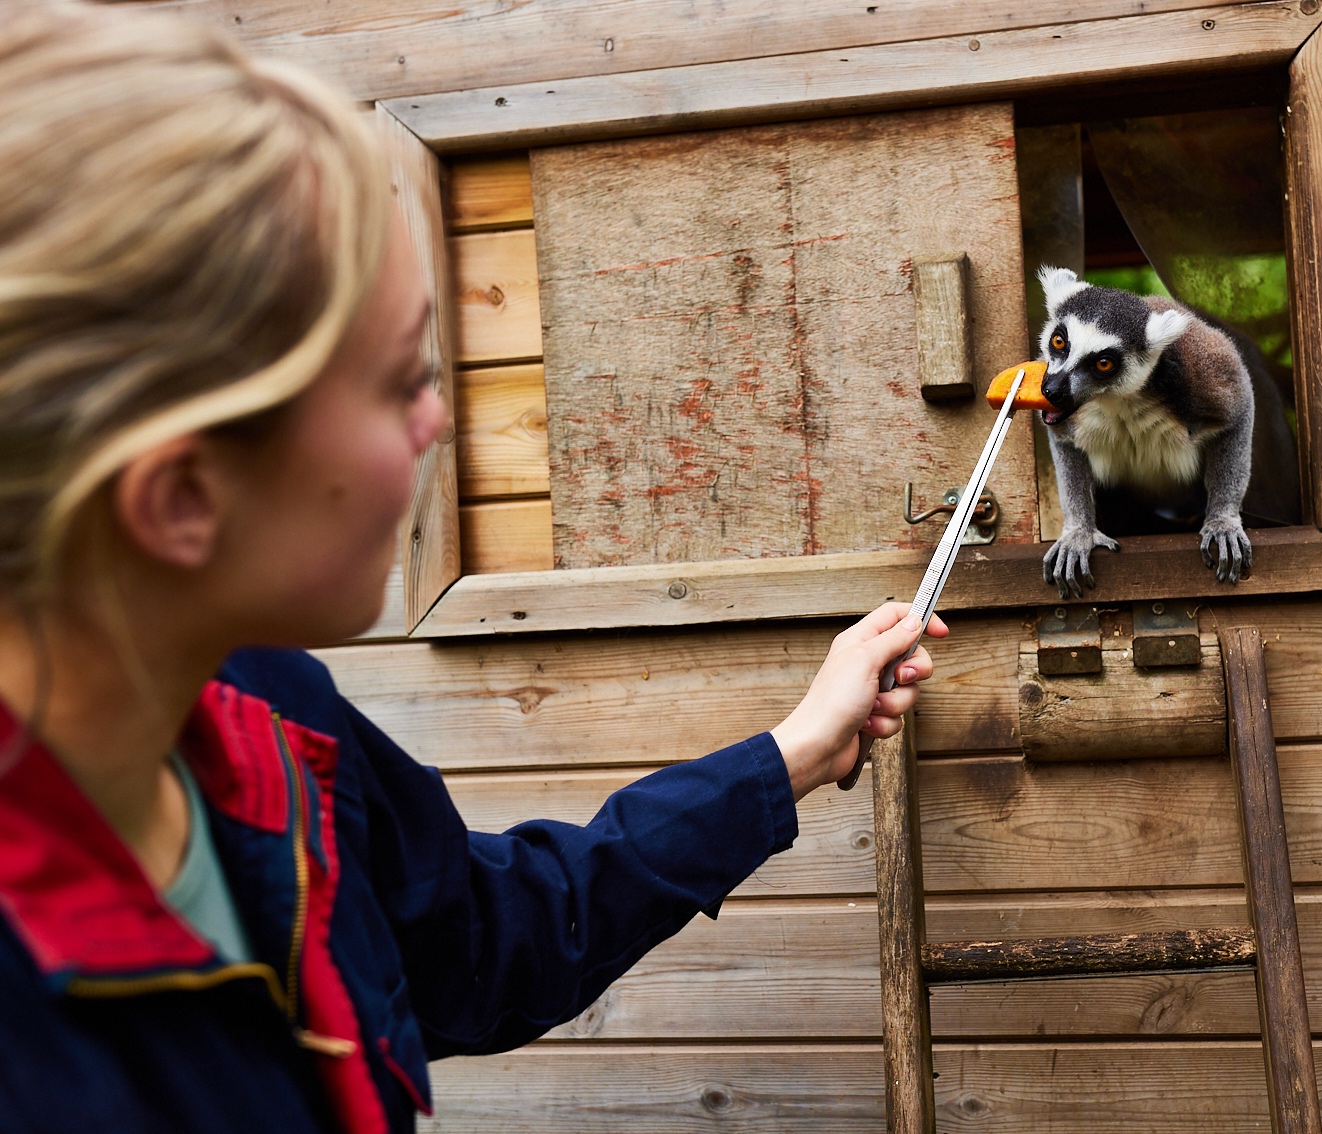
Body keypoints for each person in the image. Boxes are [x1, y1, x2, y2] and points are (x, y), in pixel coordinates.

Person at [0, 4, 945, 1131]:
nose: (440, 422)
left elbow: (487, 941)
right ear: (182, 496)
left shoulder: (270, 717)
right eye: (401, 380)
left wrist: (790, 753)